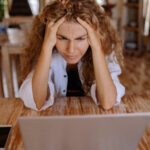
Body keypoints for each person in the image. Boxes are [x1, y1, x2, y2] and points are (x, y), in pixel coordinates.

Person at [19, 0, 125, 111]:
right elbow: (37, 102)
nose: (71, 50)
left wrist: (97, 48)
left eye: (80, 38)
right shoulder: (45, 50)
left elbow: (107, 102)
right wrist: (47, 47)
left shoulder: (105, 49)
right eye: (62, 38)